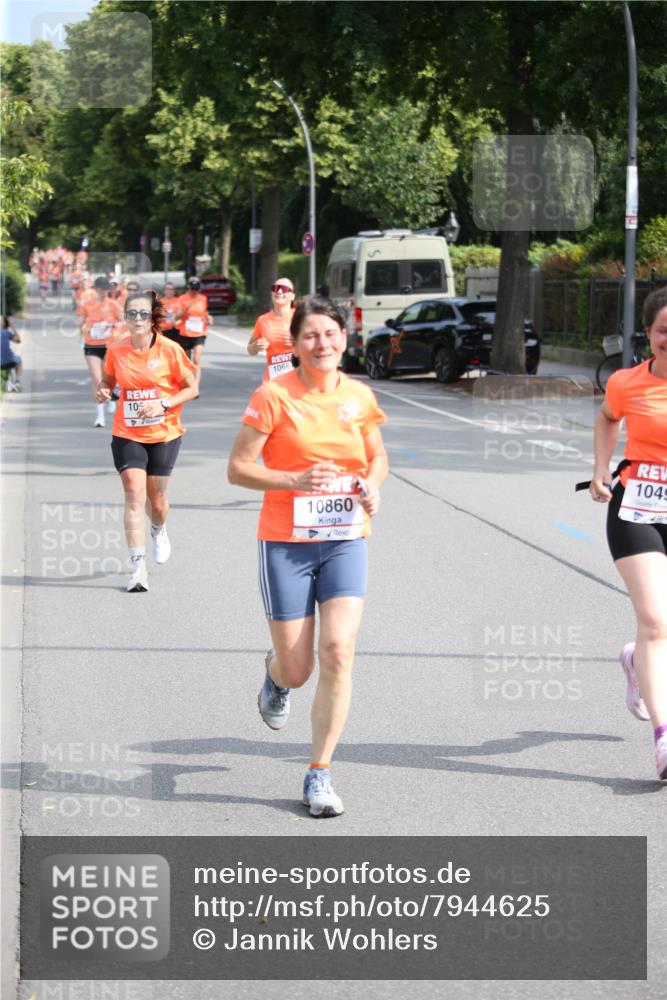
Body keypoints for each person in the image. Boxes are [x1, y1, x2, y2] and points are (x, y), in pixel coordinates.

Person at [228, 295, 388, 816]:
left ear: (345, 338)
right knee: (299, 669)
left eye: (331, 333)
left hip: (344, 538)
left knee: (338, 651)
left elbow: (377, 458)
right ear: (294, 345)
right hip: (285, 543)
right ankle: (276, 676)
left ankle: (320, 772)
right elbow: (238, 468)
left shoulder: (358, 396)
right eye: (311, 335)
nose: (323, 343)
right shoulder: (274, 395)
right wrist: (294, 480)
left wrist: (372, 485)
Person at [588, 285, 667, 781]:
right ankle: (663, 737)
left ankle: (638, 661)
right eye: (664, 330)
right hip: (638, 509)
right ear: (649, 333)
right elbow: (606, 417)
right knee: (656, 620)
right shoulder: (626, 383)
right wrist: (600, 469)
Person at [95, 290, 198, 593]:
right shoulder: (116, 350)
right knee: (133, 494)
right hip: (127, 432)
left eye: (144, 313)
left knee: (158, 502)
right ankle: (138, 569)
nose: (138, 318)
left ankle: (158, 528)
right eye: (132, 313)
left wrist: (163, 404)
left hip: (164, 433)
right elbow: (108, 381)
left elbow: (191, 388)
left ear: (152, 318)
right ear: (125, 318)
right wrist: (103, 390)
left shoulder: (170, 350)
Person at [79, 276, 123, 427]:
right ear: (96, 289)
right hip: (91, 344)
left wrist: (111, 325)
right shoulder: (87, 304)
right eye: (102, 289)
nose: (105, 291)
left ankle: (109, 396)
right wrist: (84, 326)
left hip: (109, 345)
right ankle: (100, 416)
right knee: (97, 378)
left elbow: (123, 320)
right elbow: (80, 321)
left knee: (108, 377)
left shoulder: (113, 305)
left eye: (106, 289)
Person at [247, 277, 296, 380]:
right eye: (276, 288)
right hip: (273, 381)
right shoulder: (263, 320)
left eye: (284, 289)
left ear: (292, 296)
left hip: (297, 380)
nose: (279, 291)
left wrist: (296, 342)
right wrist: (255, 346)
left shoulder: (300, 317)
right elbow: (250, 350)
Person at [173, 277, 212, 384]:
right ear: (188, 287)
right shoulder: (182, 298)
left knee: (196, 359)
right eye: (192, 289)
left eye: (196, 289)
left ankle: (195, 386)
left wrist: (208, 318)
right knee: (186, 361)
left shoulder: (203, 298)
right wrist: (185, 310)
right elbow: (176, 317)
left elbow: (204, 312)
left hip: (199, 333)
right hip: (185, 333)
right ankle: (187, 383)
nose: (194, 291)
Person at [1, 315, 23, 391]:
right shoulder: (7, 333)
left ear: (2, 323)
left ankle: (6, 381)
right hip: (10, 361)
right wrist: (13, 328)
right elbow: (18, 340)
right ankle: (17, 381)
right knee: (19, 360)